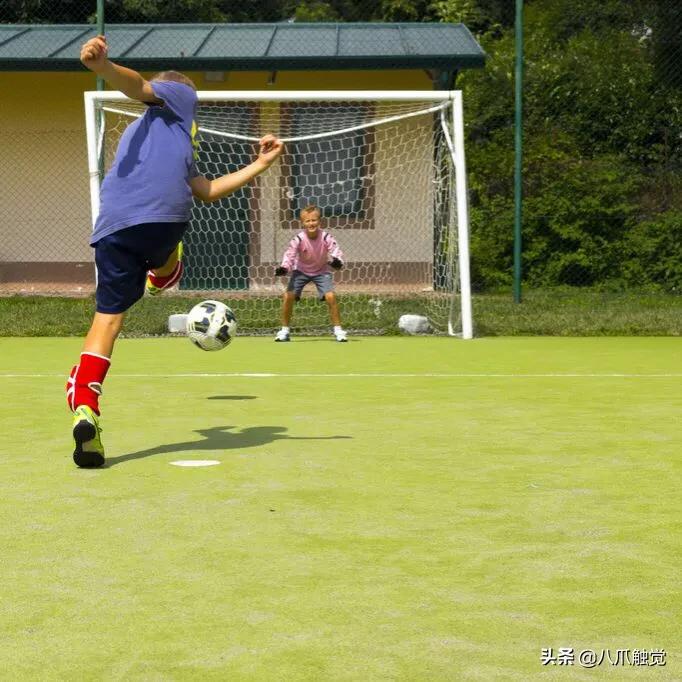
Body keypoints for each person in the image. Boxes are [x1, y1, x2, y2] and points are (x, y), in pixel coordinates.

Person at [67, 35, 284, 468]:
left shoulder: (159, 140)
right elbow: (139, 87)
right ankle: (164, 272)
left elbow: (205, 188)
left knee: (107, 321)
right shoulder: (179, 96)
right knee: (167, 249)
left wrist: (259, 165)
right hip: (161, 222)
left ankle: (86, 405)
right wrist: (104, 68)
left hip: (111, 227)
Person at [274, 204, 348, 343]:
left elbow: (335, 251)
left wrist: (337, 261)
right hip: (301, 271)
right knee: (288, 296)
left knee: (331, 296)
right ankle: (284, 331)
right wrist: (284, 268)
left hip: (322, 271)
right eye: (307, 221)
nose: (311, 223)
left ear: (319, 221)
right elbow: (289, 255)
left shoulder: (326, 237)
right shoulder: (299, 239)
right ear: (303, 223)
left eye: (314, 220)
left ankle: (339, 331)